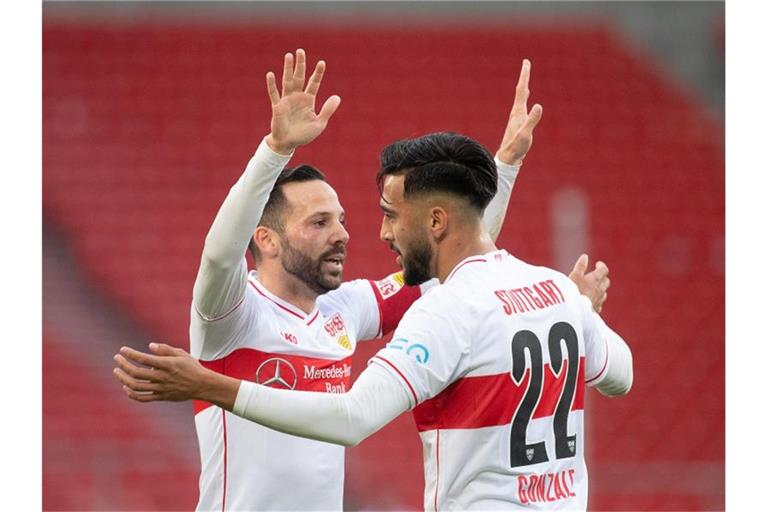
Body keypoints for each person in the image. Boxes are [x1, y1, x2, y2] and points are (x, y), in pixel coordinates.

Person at [115, 52, 614, 511]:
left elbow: (456, 258)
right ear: (264, 239)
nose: (342, 235)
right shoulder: (231, 316)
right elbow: (220, 255)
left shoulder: (346, 311)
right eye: (318, 223)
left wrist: (502, 167)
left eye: (341, 219)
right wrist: (275, 150)